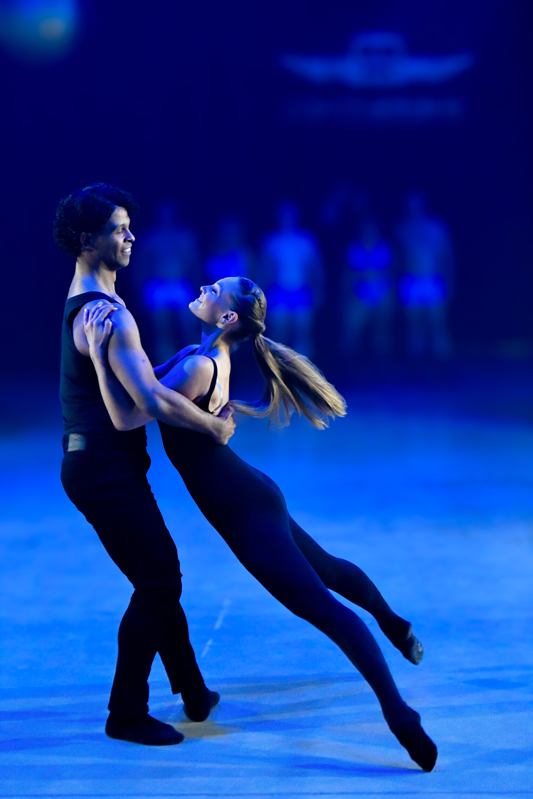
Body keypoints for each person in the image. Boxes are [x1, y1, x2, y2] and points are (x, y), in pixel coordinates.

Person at [84, 276, 438, 772]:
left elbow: (131, 409)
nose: (204, 287)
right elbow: (141, 381)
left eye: (215, 290)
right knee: (329, 569)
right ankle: (395, 624)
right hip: (253, 492)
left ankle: (400, 715)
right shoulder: (197, 355)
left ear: (228, 317)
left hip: (247, 514)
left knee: (326, 610)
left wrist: (98, 353)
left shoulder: (197, 366)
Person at [54, 184, 235, 746]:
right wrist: (213, 426)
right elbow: (145, 405)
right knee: (159, 579)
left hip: (100, 463)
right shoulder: (107, 314)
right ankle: (126, 713)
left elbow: (136, 383)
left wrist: (168, 362)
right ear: (87, 240)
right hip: (103, 467)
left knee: (154, 574)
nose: (131, 237)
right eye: (119, 229)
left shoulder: (92, 302)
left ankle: (194, 692)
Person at [257, 202, 323, 358]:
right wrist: (260, 295)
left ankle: (303, 368)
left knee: (303, 334)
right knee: (279, 335)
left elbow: (316, 267)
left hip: (302, 290)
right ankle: (278, 367)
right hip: (278, 291)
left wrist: (318, 290)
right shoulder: (271, 241)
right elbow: (263, 269)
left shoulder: (306, 240)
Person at [395, 192, 455, 359]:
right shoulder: (402, 228)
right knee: (415, 326)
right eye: (410, 204)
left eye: (417, 203)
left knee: (438, 325)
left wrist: (450, 282)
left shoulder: (436, 227)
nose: (414, 207)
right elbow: (398, 259)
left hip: (433, 279)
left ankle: (442, 365)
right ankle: (418, 365)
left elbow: (448, 256)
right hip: (411, 280)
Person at [342, 216, 395, 357]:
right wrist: (347, 294)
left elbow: (392, 271)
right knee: (352, 328)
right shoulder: (355, 248)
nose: (369, 231)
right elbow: (348, 273)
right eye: (366, 229)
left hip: (382, 291)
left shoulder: (384, 247)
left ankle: (382, 360)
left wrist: (391, 294)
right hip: (360, 292)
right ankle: (350, 359)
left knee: (382, 327)